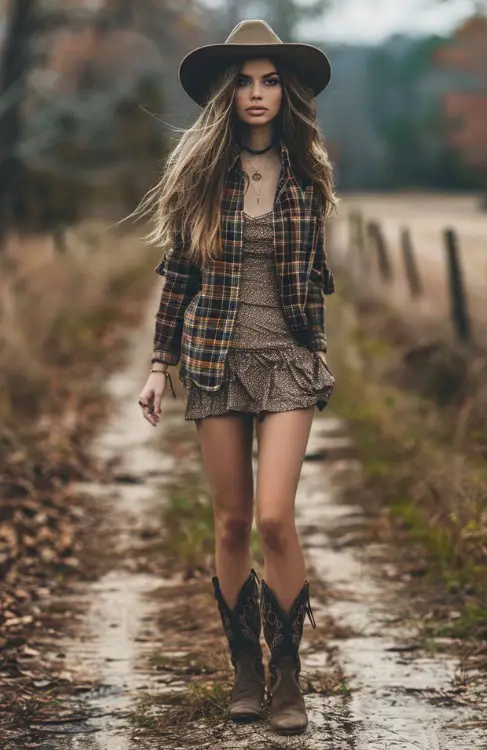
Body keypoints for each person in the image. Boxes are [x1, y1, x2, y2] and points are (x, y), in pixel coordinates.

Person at [136, 19, 337, 736]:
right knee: (230, 522)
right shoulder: (200, 176)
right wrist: (160, 366)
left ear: (288, 93)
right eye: (246, 81)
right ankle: (244, 673)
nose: (257, 93)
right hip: (214, 357)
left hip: (286, 359)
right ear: (228, 93)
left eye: (271, 80)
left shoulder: (309, 173)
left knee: (276, 519)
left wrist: (316, 342)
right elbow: (178, 278)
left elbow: (316, 278)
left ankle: (288, 674)